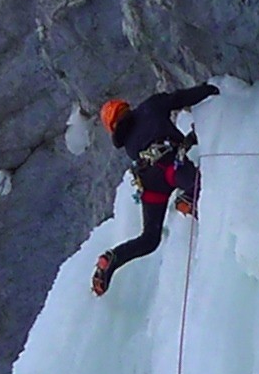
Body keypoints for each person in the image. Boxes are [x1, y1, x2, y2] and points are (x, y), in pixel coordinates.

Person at [91, 81, 220, 295]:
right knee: (198, 185)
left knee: (149, 238)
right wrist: (209, 89)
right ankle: (187, 198)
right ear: (126, 107)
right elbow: (180, 98)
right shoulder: (150, 107)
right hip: (170, 165)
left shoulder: (128, 144)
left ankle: (112, 258)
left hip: (150, 183)